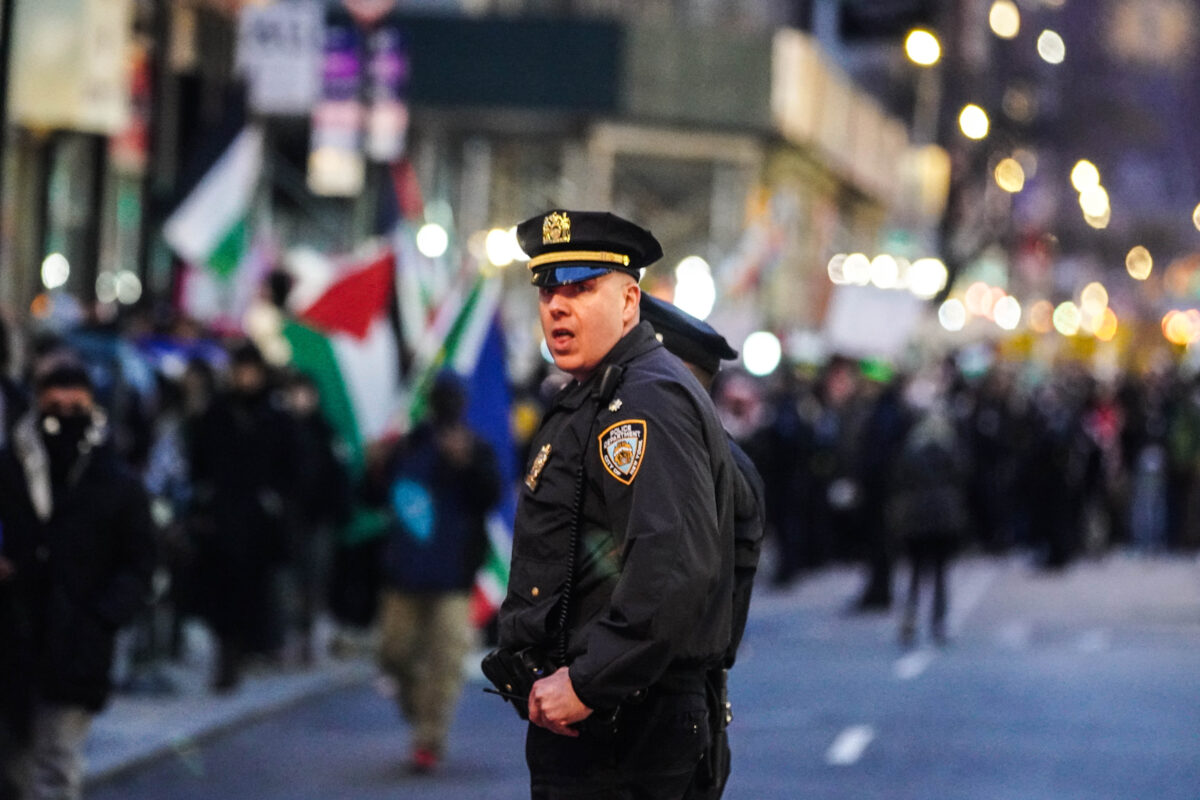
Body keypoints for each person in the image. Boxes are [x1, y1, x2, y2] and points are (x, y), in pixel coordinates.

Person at [491, 210, 738, 799]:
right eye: (548, 289)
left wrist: (587, 682)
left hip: (626, 730)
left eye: (581, 288)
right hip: (606, 723)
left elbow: (670, 564)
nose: (556, 305)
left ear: (629, 301)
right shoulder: (598, 392)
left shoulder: (643, 400)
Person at [0, 354, 155, 800]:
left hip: (75, 642)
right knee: (13, 766)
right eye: (54, 407)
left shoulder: (116, 481)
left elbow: (139, 562)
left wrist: (103, 619)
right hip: (13, 636)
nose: (64, 418)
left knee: (55, 765)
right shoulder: (11, 468)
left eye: (75, 408)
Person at [639, 294, 765, 800]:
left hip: (657, 699)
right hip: (683, 698)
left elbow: (671, 583)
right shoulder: (725, 459)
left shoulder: (693, 461)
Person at [372, 370, 502, 773]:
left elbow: (492, 497)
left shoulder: (475, 448)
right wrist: (373, 465)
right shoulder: (407, 446)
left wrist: (465, 465)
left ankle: (429, 737)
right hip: (404, 573)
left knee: (445, 662)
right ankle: (419, 710)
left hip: (453, 576)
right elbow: (371, 496)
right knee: (394, 654)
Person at [187, 341, 294, 691]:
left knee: (252, 591)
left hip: (257, 521)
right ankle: (226, 657)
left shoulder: (274, 416)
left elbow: (287, 466)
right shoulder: (217, 413)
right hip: (222, 516)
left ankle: (246, 650)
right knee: (222, 591)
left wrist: (273, 500)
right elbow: (199, 461)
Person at [886, 374, 969, 646]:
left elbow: (899, 477)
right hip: (944, 515)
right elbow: (963, 473)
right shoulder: (949, 446)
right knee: (940, 573)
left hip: (916, 516)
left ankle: (910, 620)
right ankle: (939, 622)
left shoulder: (910, 447)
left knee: (915, 572)